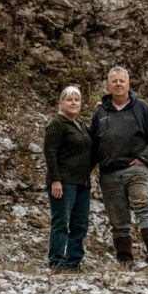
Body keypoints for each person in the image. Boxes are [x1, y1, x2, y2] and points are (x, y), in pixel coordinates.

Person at [90, 66, 148, 266]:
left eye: (122, 81)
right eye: (114, 81)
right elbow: (92, 144)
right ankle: (125, 260)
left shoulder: (142, 108)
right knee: (117, 217)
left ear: (128, 84)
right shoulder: (100, 112)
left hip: (136, 169)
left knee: (143, 204)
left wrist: (144, 159)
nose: (118, 84)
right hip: (109, 173)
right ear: (108, 85)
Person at [43, 85, 93, 271]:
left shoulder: (80, 125)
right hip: (64, 183)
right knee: (61, 223)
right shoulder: (57, 124)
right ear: (62, 102)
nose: (73, 103)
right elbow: (50, 152)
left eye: (77, 99)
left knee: (80, 225)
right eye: (69, 99)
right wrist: (56, 180)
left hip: (83, 183)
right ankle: (56, 262)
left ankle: (73, 263)